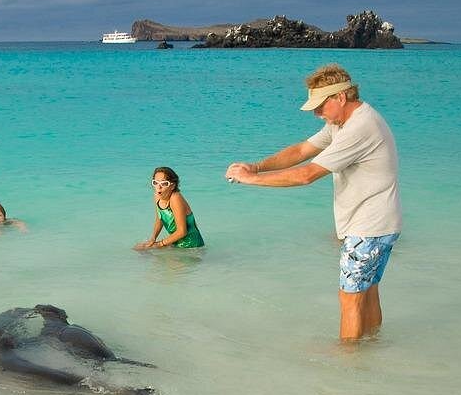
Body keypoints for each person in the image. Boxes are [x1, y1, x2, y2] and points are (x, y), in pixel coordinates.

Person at [225, 63, 402, 342]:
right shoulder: (342, 123)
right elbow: (301, 151)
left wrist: (251, 180)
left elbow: (307, 175)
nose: (317, 113)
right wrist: (257, 166)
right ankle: (371, 351)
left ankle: (348, 362)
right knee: (367, 292)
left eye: (321, 106)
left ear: (340, 97)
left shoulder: (359, 128)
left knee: (350, 298)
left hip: (368, 227)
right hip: (380, 224)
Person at [134, 167, 205, 250]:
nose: (158, 187)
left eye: (164, 184)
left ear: (172, 186)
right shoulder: (157, 196)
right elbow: (159, 218)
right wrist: (153, 239)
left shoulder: (175, 198)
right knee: (139, 248)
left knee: (146, 251)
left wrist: (160, 244)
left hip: (192, 247)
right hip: (175, 243)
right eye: (155, 183)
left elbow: (182, 231)